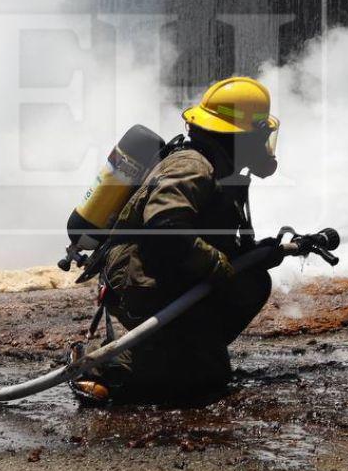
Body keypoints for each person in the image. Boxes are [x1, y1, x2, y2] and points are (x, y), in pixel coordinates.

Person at [73, 76, 280, 404]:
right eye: (259, 135)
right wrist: (216, 264)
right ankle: (109, 367)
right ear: (238, 136)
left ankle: (181, 356)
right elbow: (164, 226)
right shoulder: (193, 166)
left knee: (211, 371)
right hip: (141, 278)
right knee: (176, 383)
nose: (263, 143)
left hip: (161, 272)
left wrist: (262, 253)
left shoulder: (215, 166)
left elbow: (208, 236)